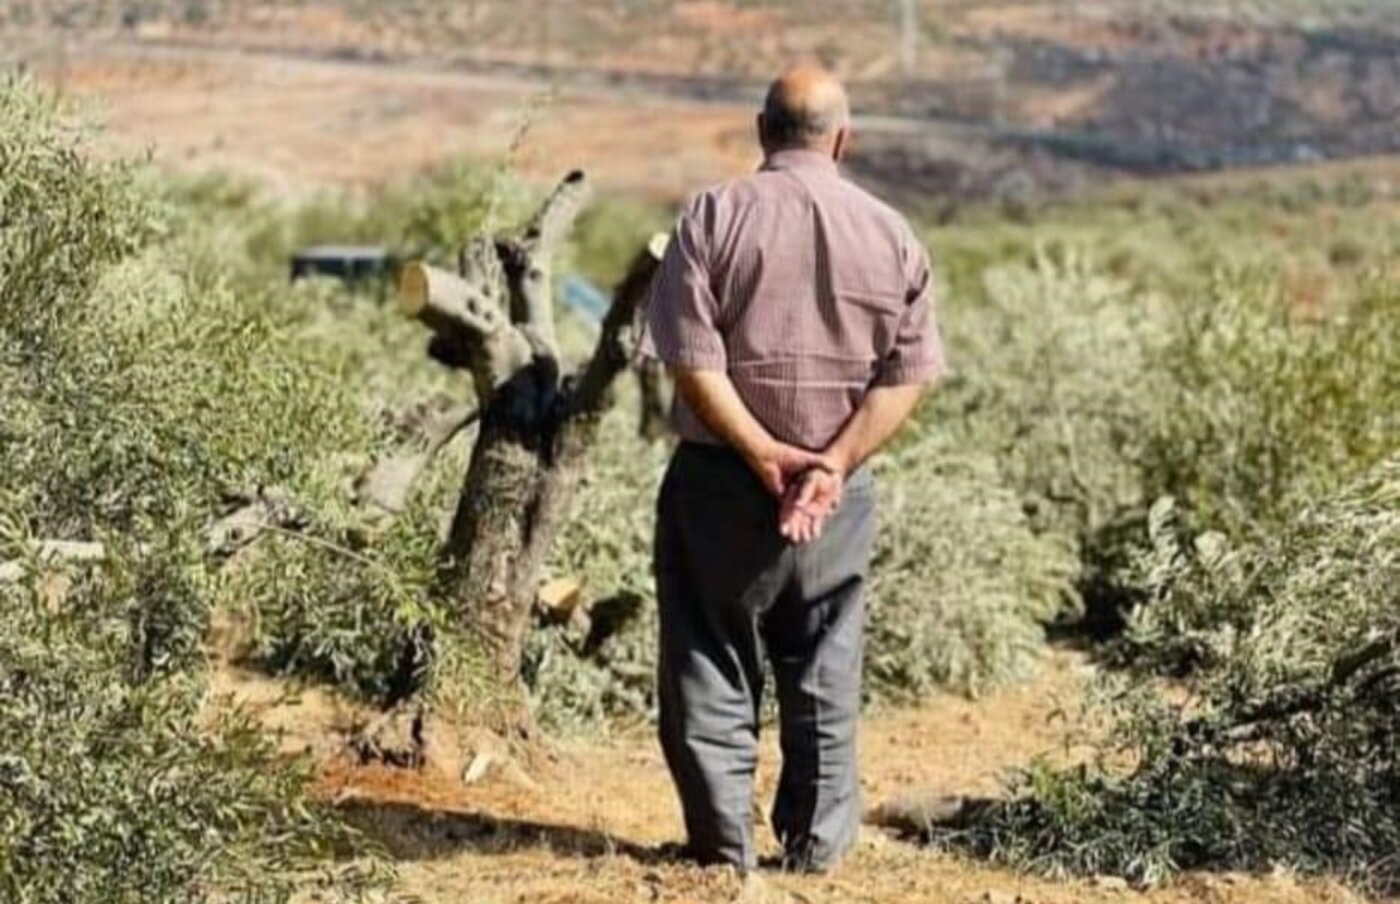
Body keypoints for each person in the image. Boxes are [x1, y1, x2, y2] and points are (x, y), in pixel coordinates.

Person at [641, 64, 945, 874]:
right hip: (836, 497)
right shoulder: (891, 232)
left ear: (761, 130)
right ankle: (814, 852)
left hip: (718, 482)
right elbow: (908, 376)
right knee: (825, 664)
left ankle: (721, 851)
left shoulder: (712, 216)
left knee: (709, 658)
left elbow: (691, 362)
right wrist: (831, 464)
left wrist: (759, 451)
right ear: (842, 140)